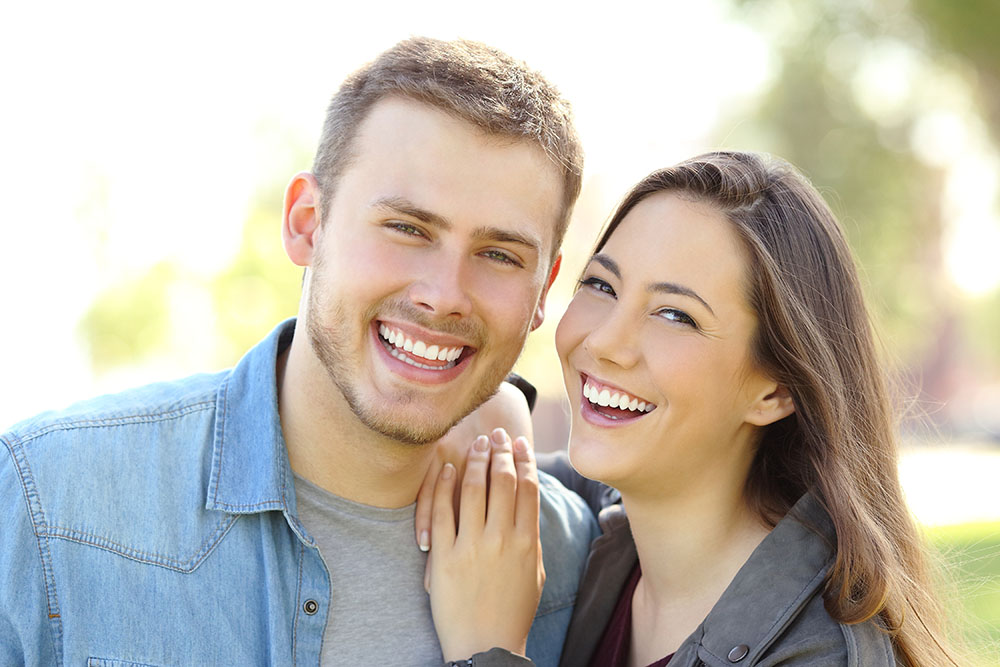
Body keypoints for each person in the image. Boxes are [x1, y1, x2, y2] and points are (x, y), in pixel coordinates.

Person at [0, 37, 597, 666]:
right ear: (307, 222)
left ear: (542, 293)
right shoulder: (49, 502)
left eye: (499, 255)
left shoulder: (573, 567)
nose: (445, 296)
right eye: (407, 228)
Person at [419, 151, 957, 665]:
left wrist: (486, 651)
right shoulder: (611, 525)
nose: (605, 342)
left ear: (776, 392)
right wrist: (502, 404)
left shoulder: (819, 653)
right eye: (601, 285)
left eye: (675, 315)